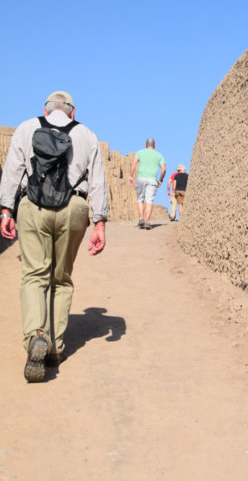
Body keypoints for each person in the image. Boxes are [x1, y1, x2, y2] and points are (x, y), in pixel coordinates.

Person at [0, 90, 108, 382]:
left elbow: (12, 172)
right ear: (72, 112)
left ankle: (36, 335)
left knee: (35, 276)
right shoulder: (86, 134)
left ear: (46, 111)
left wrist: (6, 211)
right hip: (73, 207)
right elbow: (97, 180)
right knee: (61, 278)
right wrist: (99, 223)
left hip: (33, 206)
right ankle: (55, 349)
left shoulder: (26, 128)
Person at [128, 138, 165, 229]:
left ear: (145, 145)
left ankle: (141, 218)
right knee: (149, 201)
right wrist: (160, 179)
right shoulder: (159, 155)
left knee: (140, 199)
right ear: (154, 145)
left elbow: (133, 163)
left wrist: (131, 175)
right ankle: (147, 222)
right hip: (152, 180)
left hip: (141, 178)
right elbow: (164, 169)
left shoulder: (140, 152)